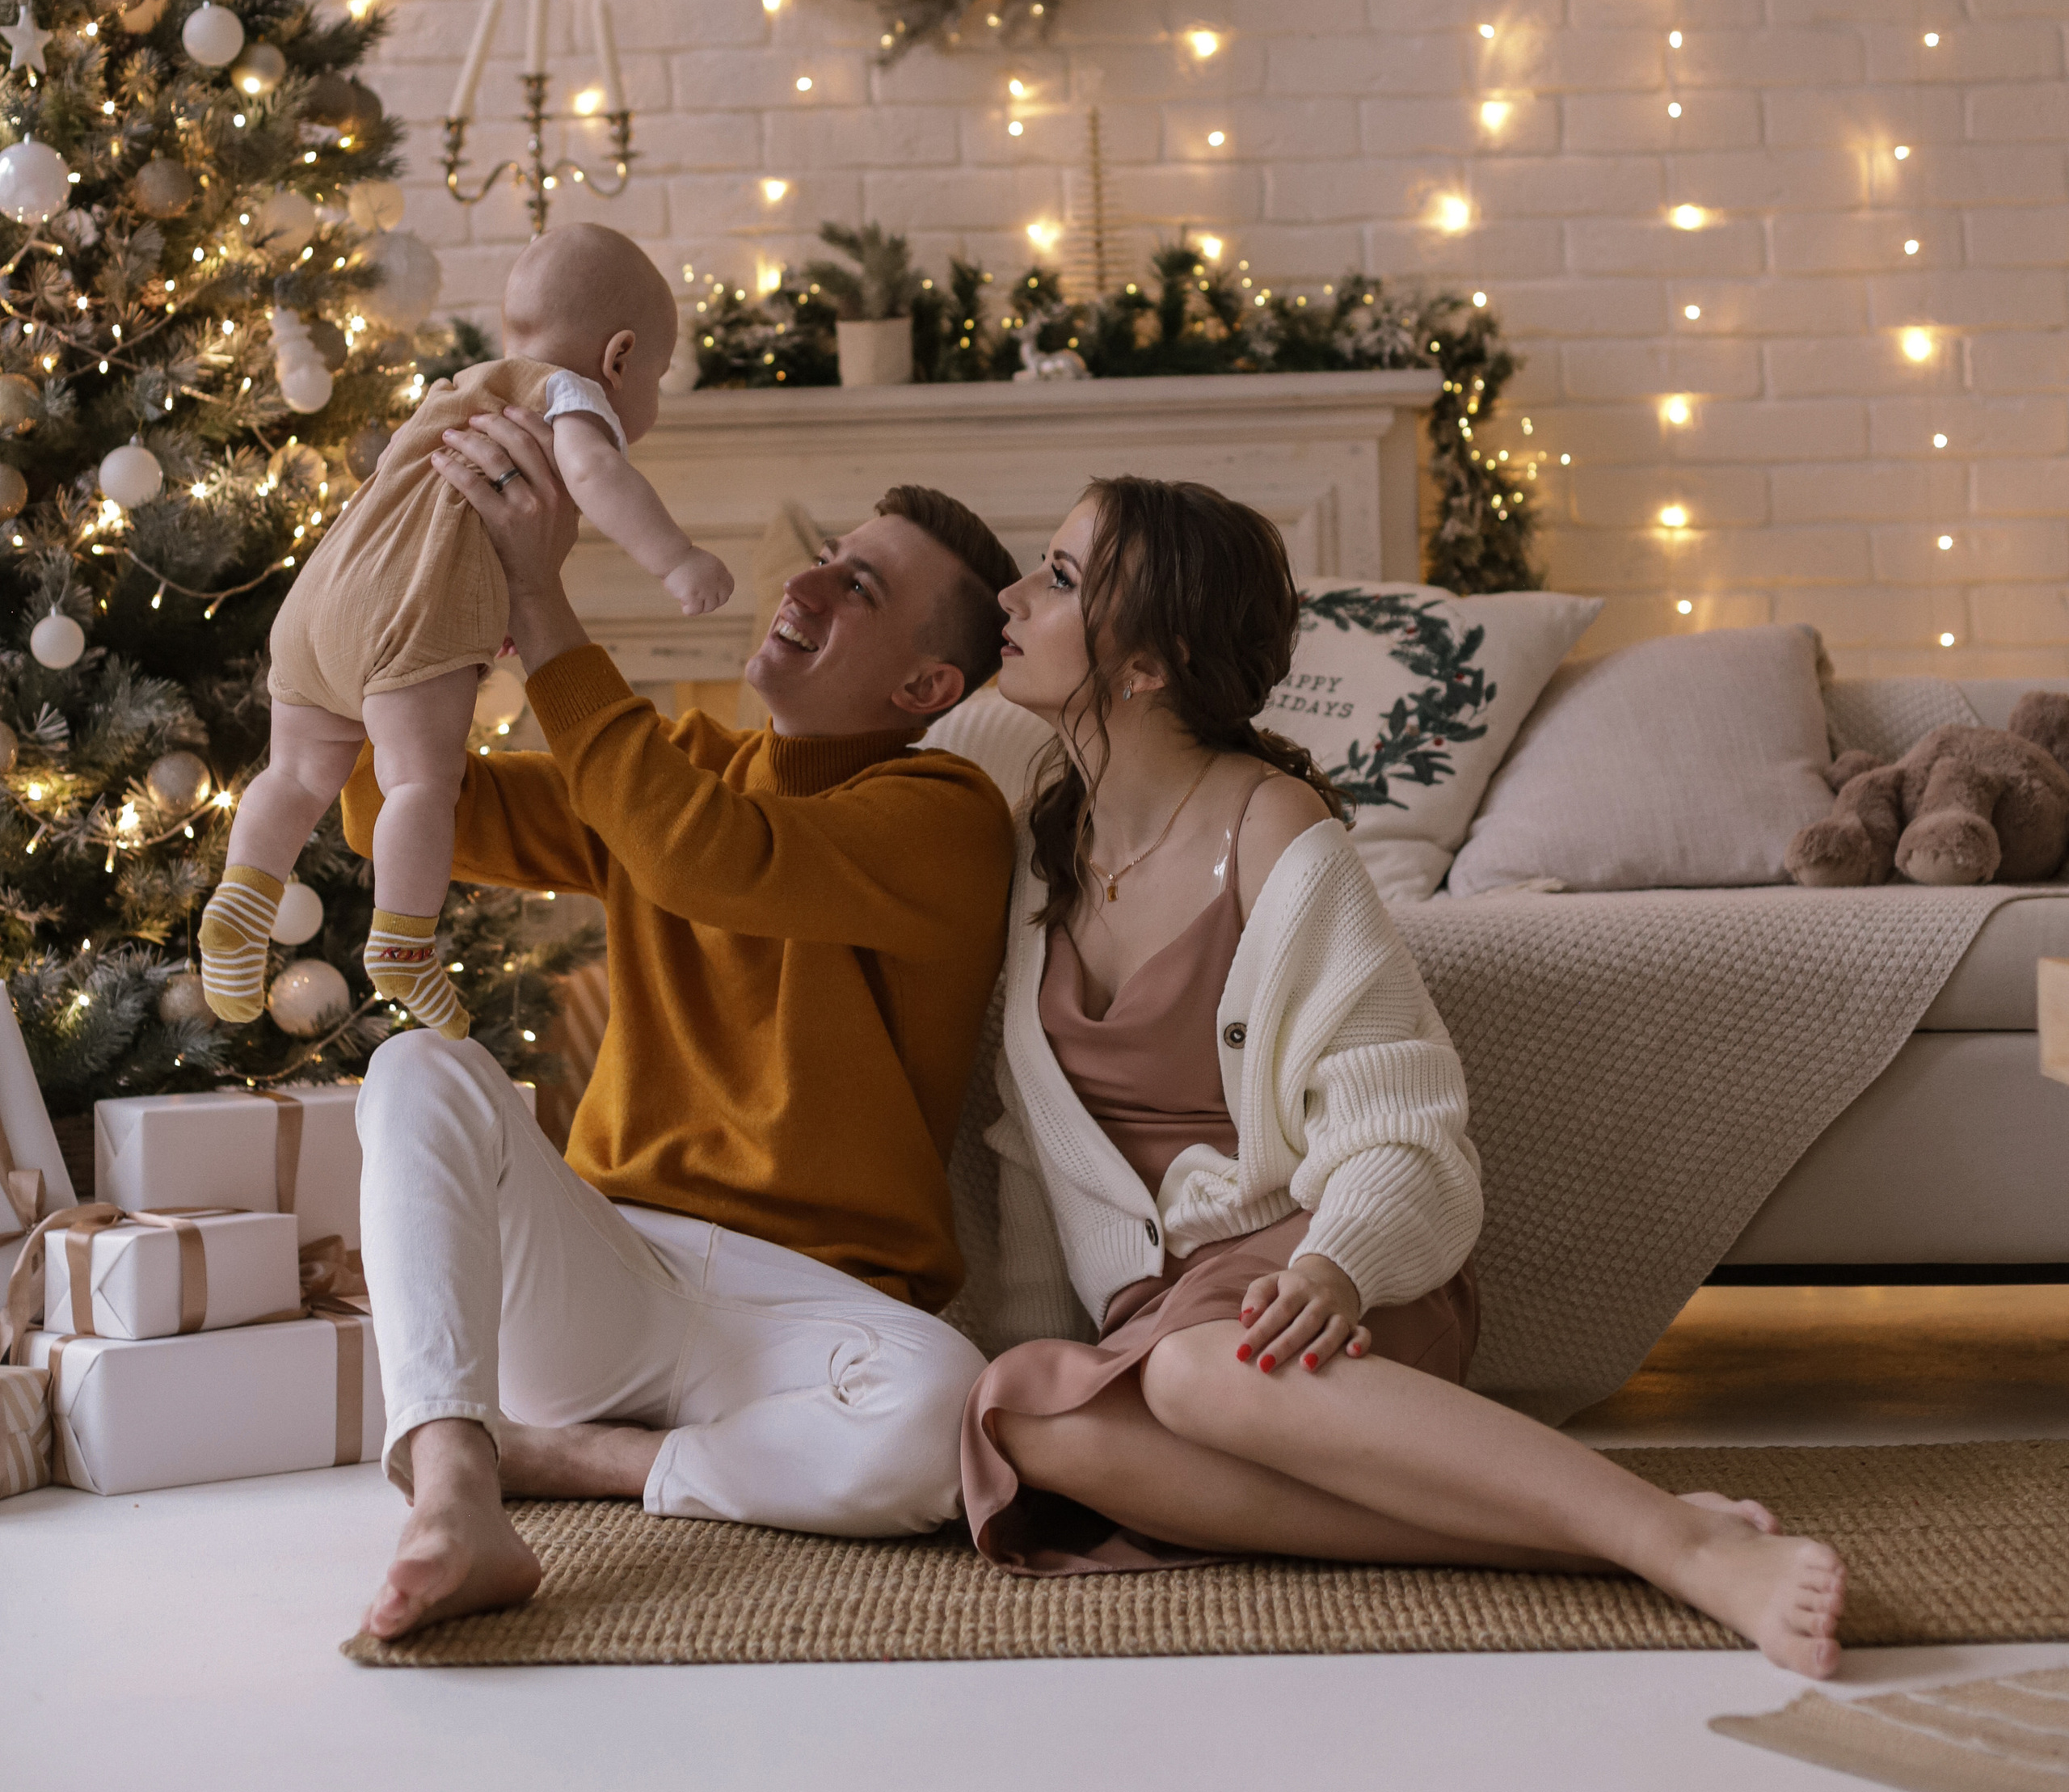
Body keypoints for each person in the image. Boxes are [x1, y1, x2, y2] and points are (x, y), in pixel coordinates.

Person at [964, 475, 1849, 1680]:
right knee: (1016, 1414)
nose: (1013, 597)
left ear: (1146, 666)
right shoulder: (1041, 847)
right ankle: (1590, 1541)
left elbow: (1405, 1117)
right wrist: (1044, 1339)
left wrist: (1342, 1259)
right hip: (1164, 1320)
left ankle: (1671, 1542)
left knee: (1191, 1378)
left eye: (1060, 581)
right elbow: (1036, 1154)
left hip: (1331, 1278)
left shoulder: (1276, 832)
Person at [343, 402, 1019, 1642]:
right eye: (824, 553)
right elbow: (390, 806)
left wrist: (544, 608)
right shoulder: (672, 767)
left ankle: (573, 1462)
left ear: (927, 685)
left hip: (814, 1309)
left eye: (856, 584)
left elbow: (716, 859)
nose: (804, 580)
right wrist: (383, 582)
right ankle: (453, 1490)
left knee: (947, 1419)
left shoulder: (949, 816)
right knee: (417, 1070)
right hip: (609, 1267)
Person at [200, 222, 732, 1035]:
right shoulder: (569, 392)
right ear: (619, 357)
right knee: (421, 783)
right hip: (403, 625)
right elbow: (594, 474)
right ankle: (404, 942)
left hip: (314, 612)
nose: (647, 396)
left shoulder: (458, 388)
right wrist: (677, 558)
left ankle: (242, 901)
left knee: (298, 776)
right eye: (656, 377)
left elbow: (422, 514)